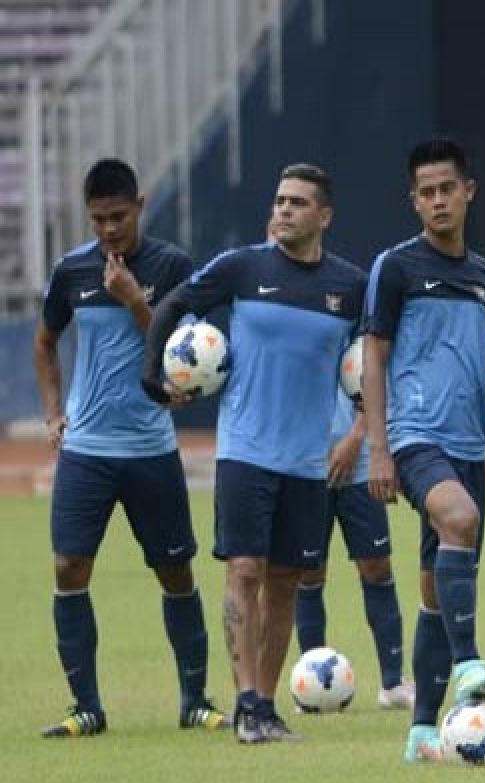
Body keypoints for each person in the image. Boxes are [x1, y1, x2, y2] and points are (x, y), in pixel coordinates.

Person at [142, 164, 365, 744]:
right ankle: (244, 702)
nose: (283, 209)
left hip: (307, 461)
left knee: (288, 581)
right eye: (279, 199)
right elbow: (170, 307)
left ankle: (265, 706)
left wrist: (363, 424)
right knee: (245, 570)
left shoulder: (350, 287)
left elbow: (374, 360)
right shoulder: (242, 268)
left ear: (325, 216)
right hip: (244, 452)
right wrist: (152, 379)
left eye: (297, 202)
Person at [32, 158, 228, 737]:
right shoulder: (71, 271)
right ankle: (85, 708)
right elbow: (45, 343)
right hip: (87, 449)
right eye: (98, 220)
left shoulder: (172, 267)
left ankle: (194, 700)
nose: (109, 230)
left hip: (149, 446)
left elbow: (183, 349)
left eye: (118, 216)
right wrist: (51, 412)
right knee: (69, 566)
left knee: (174, 571)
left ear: (140, 205)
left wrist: (133, 300)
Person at [362, 137, 485, 762]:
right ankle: (468, 662)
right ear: (414, 200)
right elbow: (373, 355)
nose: (436, 201)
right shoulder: (396, 268)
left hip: (469, 443)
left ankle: (423, 730)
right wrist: (379, 448)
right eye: (425, 192)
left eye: (446, 188)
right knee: (460, 518)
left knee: (435, 587)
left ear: (468, 191)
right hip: (414, 435)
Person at [293, 376, 415, 712]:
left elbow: (375, 377)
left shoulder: (360, 324)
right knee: (309, 572)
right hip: (306, 463)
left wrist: (357, 436)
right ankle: (309, 687)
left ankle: (392, 683)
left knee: (376, 566)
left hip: (361, 462)